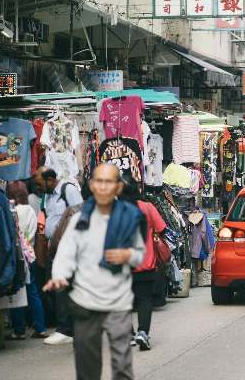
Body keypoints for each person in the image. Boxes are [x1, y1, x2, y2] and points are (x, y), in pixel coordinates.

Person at [44, 163, 146, 380]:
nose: (102, 187)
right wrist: (60, 276)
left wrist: (127, 255)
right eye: (98, 181)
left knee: (122, 366)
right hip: (85, 301)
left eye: (108, 182)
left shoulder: (129, 216)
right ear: (91, 185)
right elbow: (66, 252)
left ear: (118, 187)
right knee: (87, 367)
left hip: (118, 300)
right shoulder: (79, 219)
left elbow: (139, 254)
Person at [34, 166, 83, 346]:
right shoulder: (48, 196)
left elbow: (80, 213)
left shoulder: (67, 190)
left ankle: (66, 329)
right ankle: (69, 327)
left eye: (40, 184)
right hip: (54, 247)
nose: (39, 188)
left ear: (50, 180)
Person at [120, 175, 167, 351]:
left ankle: (129, 334)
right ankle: (143, 333)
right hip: (145, 263)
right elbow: (162, 228)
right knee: (144, 299)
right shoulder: (147, 207)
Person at [6, 181, 48, 340]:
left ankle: (19, 329)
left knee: (16, 292)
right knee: (33, 292)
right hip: (30, 253)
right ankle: (40, 327)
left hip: (18, 255)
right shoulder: (30, 209)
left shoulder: (14, 210)